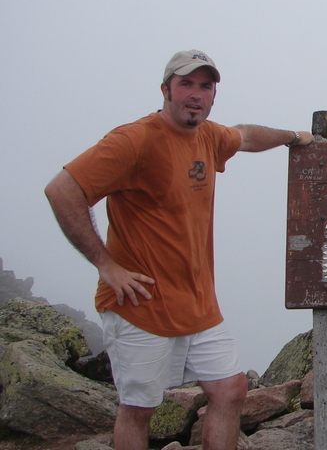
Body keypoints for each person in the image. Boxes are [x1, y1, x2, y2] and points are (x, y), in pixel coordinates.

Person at [44, 51, 313, 450]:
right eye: (186, 83)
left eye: (205, 86)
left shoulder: (207, 136)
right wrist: (106, 265)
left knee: (231, 390)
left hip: (198, 305)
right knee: (139, 410)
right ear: (166, 89)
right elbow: (62, 189)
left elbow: (246, 135)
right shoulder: (134, 139)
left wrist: (294, 137)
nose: (196, 94)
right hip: (141, 304)